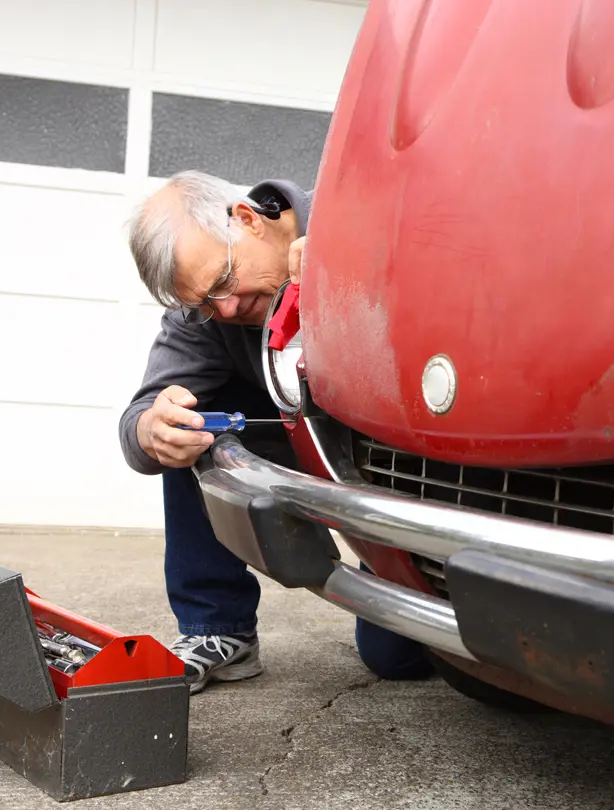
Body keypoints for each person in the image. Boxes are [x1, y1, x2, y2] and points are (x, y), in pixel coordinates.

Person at [120, 169, 434, 693]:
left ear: (246, 219)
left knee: (394, 657)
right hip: (306, 436)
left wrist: (359, 263)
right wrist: (152, 429)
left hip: (405, 451)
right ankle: (218, 630)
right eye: (201, 304)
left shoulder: (360, 210)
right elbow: (142, 415)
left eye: (224, 282)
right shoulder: (208, 313)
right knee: (192, 417)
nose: (223, 309)